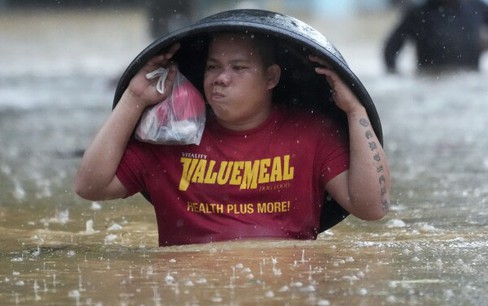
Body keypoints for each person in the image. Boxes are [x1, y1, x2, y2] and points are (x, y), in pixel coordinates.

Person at [74, 32, 390, 246]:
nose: (221, 78)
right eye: (213, 67)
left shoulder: (311, 133)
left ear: (271, 78)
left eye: (238, 68)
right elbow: (89, 186)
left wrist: (354, 108)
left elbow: (373, 207)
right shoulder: (171, 138)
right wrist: (134, 97)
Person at [383, 0, 488, 73]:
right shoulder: (418, 14)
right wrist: (395, 76)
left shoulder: (476, 8)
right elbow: (390, 49)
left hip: (470, 81)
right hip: (431, 83)